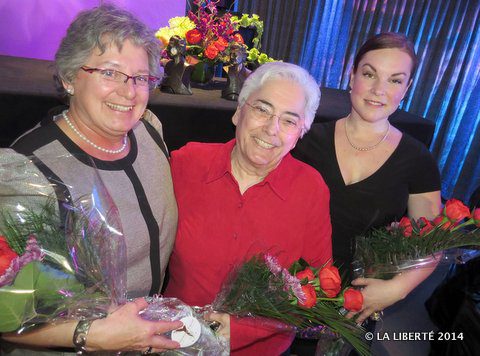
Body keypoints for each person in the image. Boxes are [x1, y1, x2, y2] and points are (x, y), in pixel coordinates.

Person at [1, 5, 182, 355]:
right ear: (69, 78)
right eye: (110, 73)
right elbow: (7, 314)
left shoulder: (149, 132)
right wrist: (92, 335)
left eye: (140, 77)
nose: (128, 92)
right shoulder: (27, 171)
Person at [164, 62, 333, 355]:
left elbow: (318, 286)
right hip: (175, 340)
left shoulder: (310, 188)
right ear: (238, 111)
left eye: (290, 120)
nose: (271, 129)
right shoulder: (186, 163)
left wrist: (246, 328)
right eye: (262, 109)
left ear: (300, 134)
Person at [293, 32, 442, 355]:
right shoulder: (306, 140)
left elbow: (433, 242)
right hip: (289, 293)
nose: (378, 90)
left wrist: (395, 290)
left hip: (357, 306)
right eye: (370, 74)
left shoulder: (417, 159)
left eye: (394, 80)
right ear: (352, 76)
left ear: (406, 89)